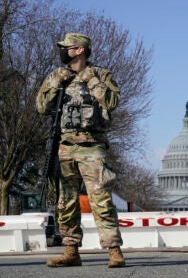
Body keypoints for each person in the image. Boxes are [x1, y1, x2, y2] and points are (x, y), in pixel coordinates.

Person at [36, 33, 125, 268]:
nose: (62, 51)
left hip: (92, 147)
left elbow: (112, 102)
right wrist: (56, 82)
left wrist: (90, 80)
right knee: (65, 202)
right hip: (64, 147)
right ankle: (71, 250)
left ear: (80, 50)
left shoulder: (101, 75)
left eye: (67, 47)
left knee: (101, 200)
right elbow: (41, 107)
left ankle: (114, 251)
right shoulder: (57, 76)